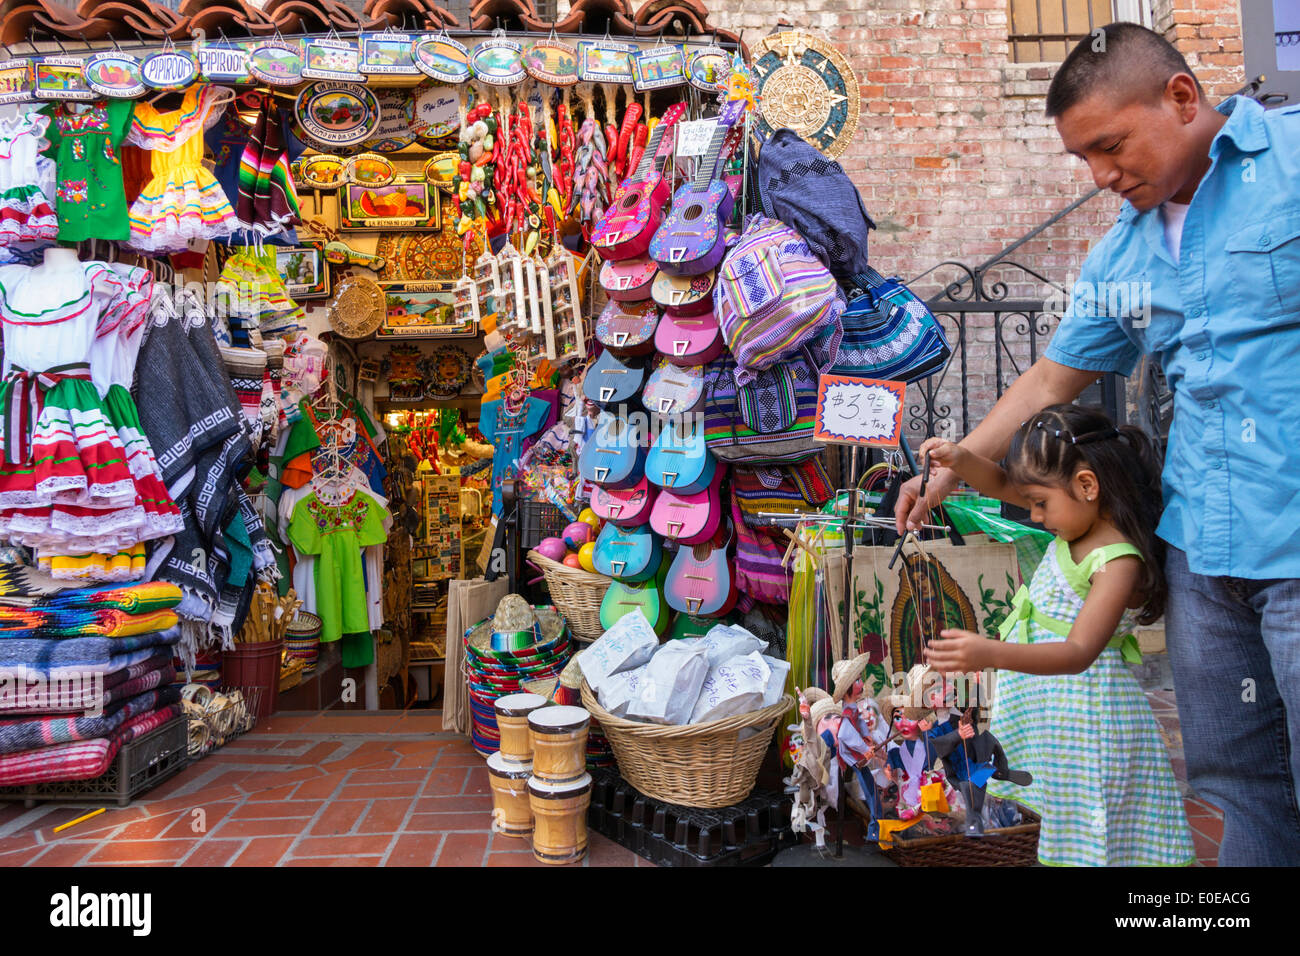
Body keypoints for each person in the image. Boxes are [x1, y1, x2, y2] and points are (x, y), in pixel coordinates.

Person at [895, 22, 1300, 867]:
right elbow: (1049, 382)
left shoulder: (1291, 163)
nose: (1102, 177)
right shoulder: (1123, 249)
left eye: (1110, 147)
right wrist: (951, 468)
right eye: (1084, 160)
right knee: (1241, 787)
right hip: (1203, 549)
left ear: (1182, 98)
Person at [919, 404, 1194, 865]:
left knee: (1090, 822)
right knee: (1059, 810)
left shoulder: (1116, 559)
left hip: (1089, 718)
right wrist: (961, 460)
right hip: (1056, 710)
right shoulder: (1074, 529)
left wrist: (990, 652)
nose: (1035, 515)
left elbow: (1078, 651)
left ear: (1087, 486)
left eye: (1040, 503)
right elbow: (1005, 485)